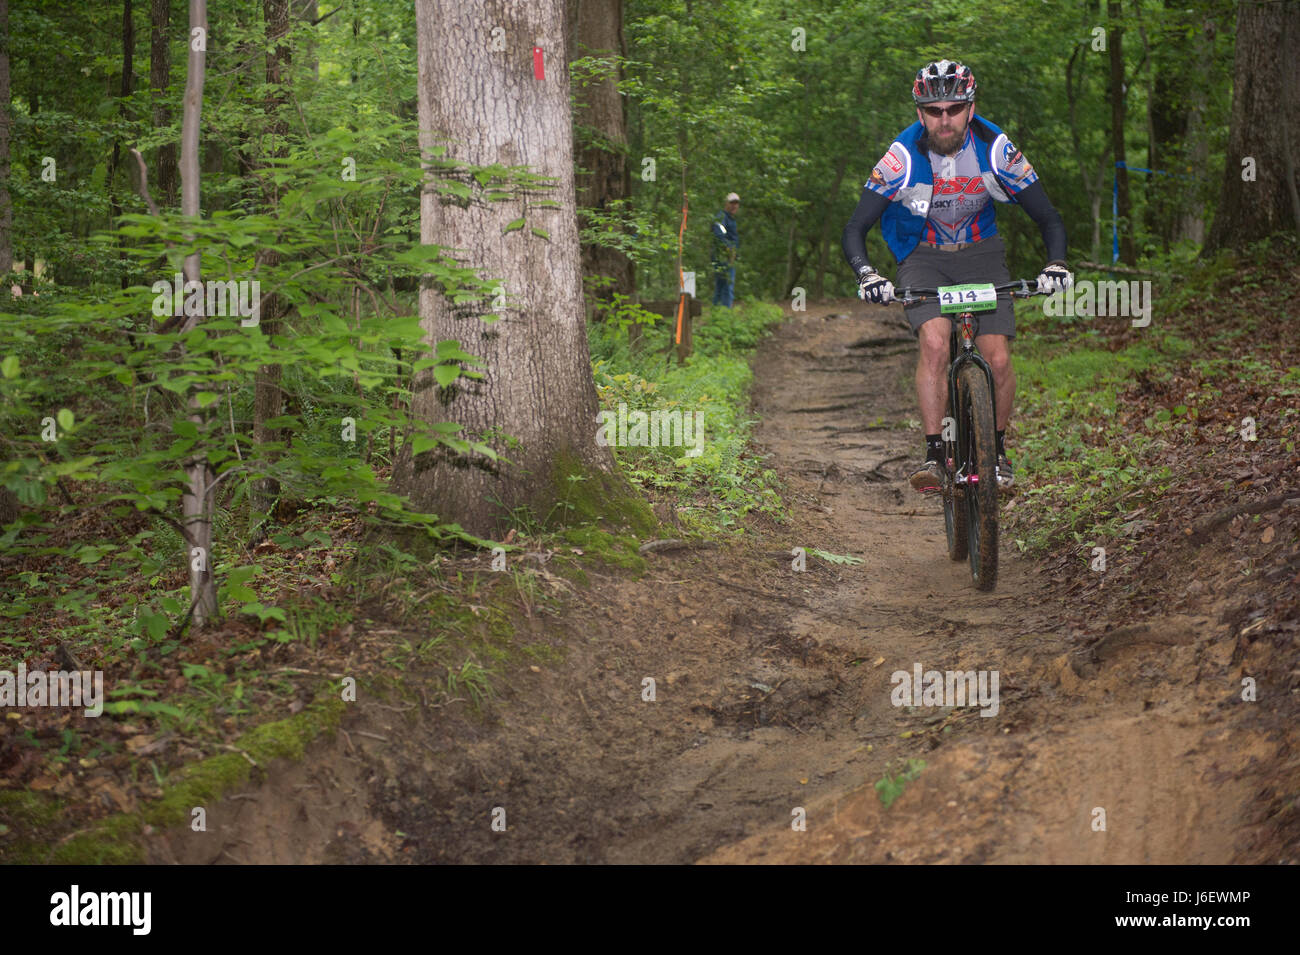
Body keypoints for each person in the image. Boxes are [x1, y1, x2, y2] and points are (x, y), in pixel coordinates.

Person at [841, 59, 1072, 494]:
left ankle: (997, 453)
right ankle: (934, 454)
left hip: (982, 256)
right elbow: (855, 228)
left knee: (998, 357)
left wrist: (1056, 264)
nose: (943, 119)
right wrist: (867, 273)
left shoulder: (996, 149)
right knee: (933, 343)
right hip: (923, 256)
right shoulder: (900, 157)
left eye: (953, 108)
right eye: (933, 111)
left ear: (970, 107)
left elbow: (1049, 217)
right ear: (919, 113)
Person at [711, 192, 740, 307]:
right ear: (726, 204)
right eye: (732, 203)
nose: (734, 206)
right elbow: (718, 234)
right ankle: (725, 315)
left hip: (728, 257)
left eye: (736, 203)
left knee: (722, 285)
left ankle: (717, 312)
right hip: (723, 257)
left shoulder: (731, 219)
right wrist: (729, 249)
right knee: (726, 286)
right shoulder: (722, 217)